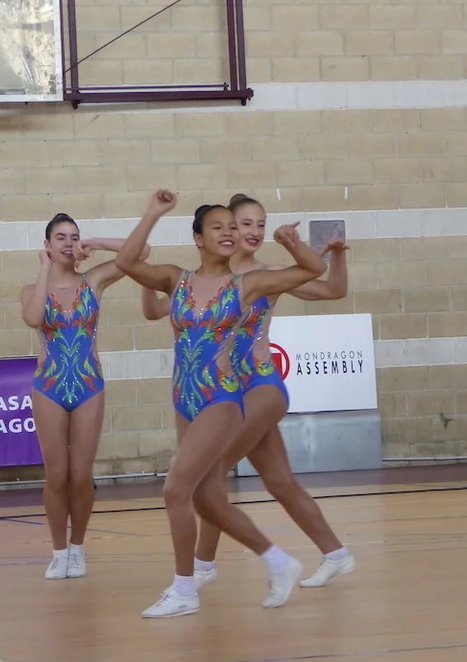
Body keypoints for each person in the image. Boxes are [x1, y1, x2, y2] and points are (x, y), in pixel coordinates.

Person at [115, 190, 327, 618]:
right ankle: (278, 562)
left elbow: (313, 270)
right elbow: (126, 262)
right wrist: (154, 212)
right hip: (184, 397)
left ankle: (184, 589)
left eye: (233, 227)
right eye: (218, 227)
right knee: (208, 499)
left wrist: (291, 243)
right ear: (198, 238)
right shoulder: (175, 279)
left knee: (175, 490)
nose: (229, 232)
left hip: (221, 396)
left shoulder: (248, 284)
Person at [19, 212, 150, 581]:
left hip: (89, 385)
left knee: (81, 476)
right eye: (60, 237)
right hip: (49, 387)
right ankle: (58, 551)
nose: (68, 243)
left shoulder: (94, 280)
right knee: (56, 475)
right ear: (47, 245)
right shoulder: (32, 290)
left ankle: (77, 548)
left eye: (74, 236)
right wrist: (45, 269)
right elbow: (33, 318)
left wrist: (97, 243)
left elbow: (141, 251)